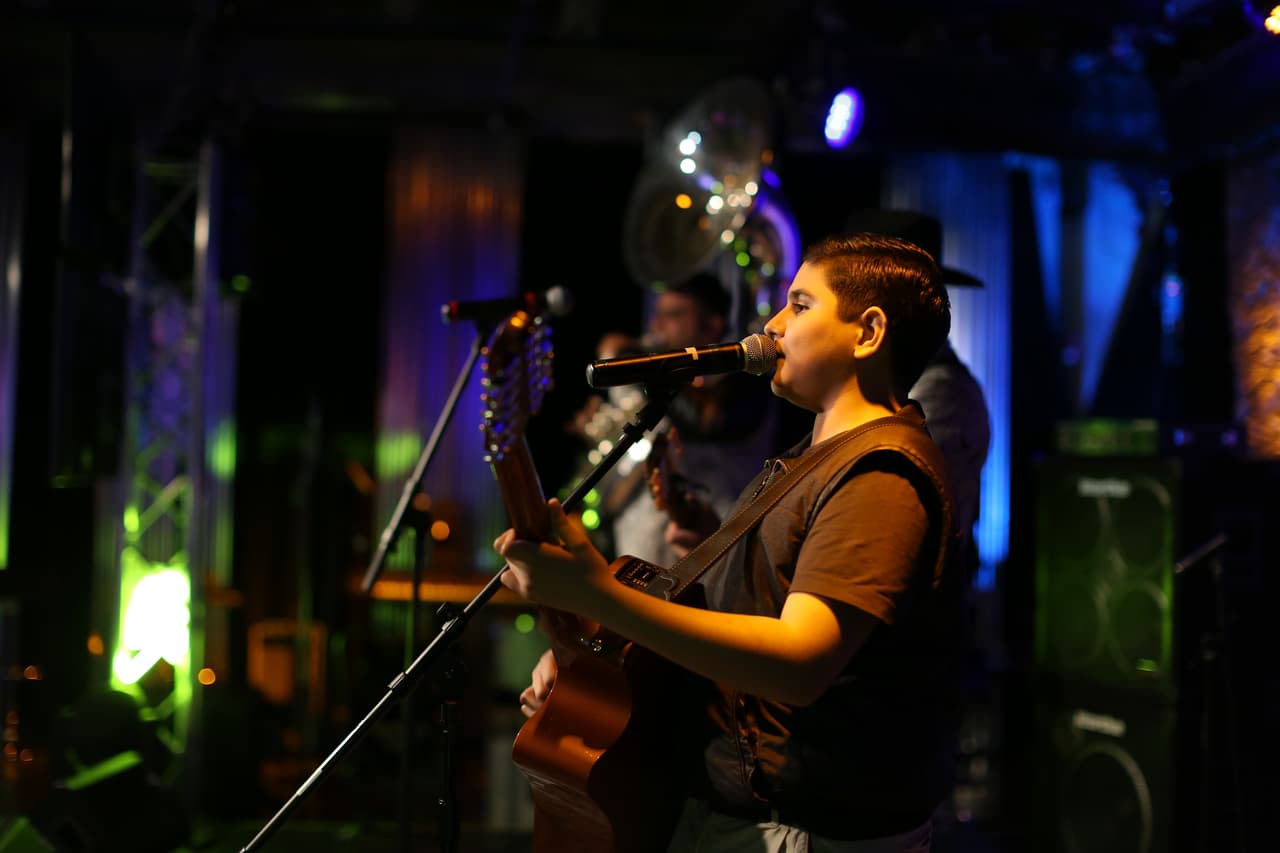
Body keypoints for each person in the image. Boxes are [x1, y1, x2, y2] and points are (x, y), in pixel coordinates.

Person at [495, 233, 966, 851]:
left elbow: (799, 663)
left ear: (868, 331)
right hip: (754, 816)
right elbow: (751, 613)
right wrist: (600, 662)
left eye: (799, 305)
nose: (771, 325)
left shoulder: (881, 472)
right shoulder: (817, 458)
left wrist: (601, 598)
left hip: (806, 831)